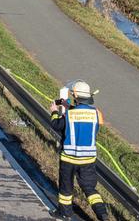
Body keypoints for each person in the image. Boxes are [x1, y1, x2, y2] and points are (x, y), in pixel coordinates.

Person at [50, 80, 109, 220]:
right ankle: (102, 215)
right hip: (88, 160)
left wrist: (54, 111)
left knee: (66, 188)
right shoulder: (96, 113)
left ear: (76, 96)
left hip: (69, 159)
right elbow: (83, 116)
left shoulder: (70, 114)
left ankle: (65, 213)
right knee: (90, 189)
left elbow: (56, 125)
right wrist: (69, 106)